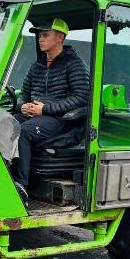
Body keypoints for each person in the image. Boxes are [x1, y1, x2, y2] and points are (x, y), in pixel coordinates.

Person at [12, 18, 89, 204]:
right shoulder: (37, 66)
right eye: (39, 35)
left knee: (23, 132)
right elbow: (25, 93)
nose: (40, 38)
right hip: (36, 115)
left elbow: (82, 97)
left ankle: (20, 186)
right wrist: (23, 105)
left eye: (45, 35)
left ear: (60, 37)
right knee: (3, 124)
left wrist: (45, 109)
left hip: (61, 120)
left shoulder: (74, 65)